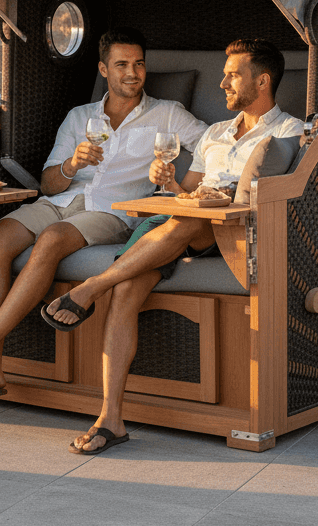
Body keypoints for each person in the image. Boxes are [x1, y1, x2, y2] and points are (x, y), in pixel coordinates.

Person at [43, 38, 304, 455]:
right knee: (127, 287)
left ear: (262, 81)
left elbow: (290, 197)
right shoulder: (216, 132)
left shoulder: (291, 131)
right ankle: (110, 418)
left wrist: (219, 201)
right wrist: (169, 183)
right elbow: (189, 192)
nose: (223, 84)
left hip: (230, 230)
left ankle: (91, 287)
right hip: (184, 221)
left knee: (187, 218)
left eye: (233, 76)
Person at [0, 27, 207, 397]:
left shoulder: (167, 114)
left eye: (139, 64)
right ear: (103, 69)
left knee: (52, 238)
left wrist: (183, 187)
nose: (133, 72)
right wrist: (72, 165)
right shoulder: (80, 117)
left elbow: (213, 142)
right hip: (61, 201)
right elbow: (48, 184)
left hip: (113, 212)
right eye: (122, 64)